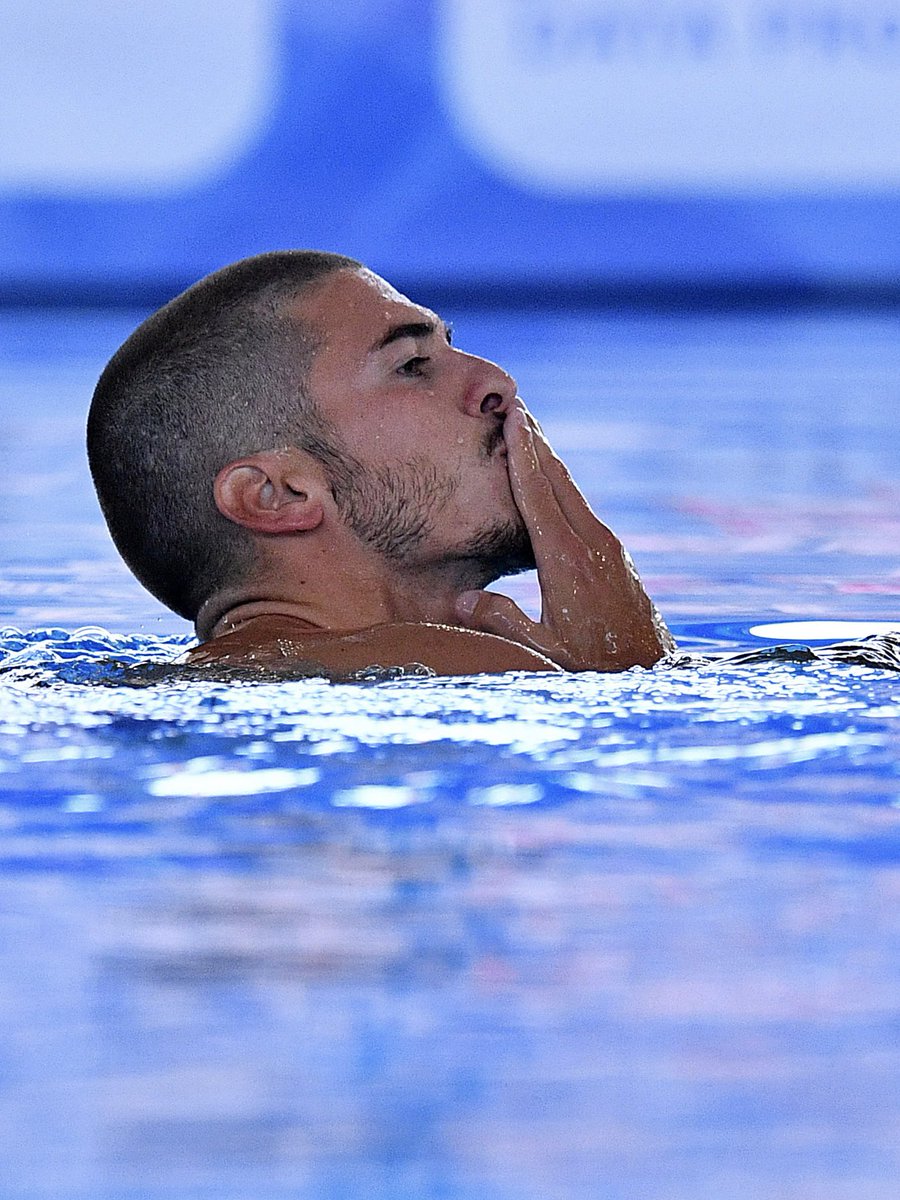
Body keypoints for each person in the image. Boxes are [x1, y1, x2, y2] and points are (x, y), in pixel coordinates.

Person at [88, 250, 674, 678]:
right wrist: (624, 665)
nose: (495, 382)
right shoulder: (463, 668)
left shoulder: (189, 683)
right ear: (278, 495)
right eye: (413, 364)